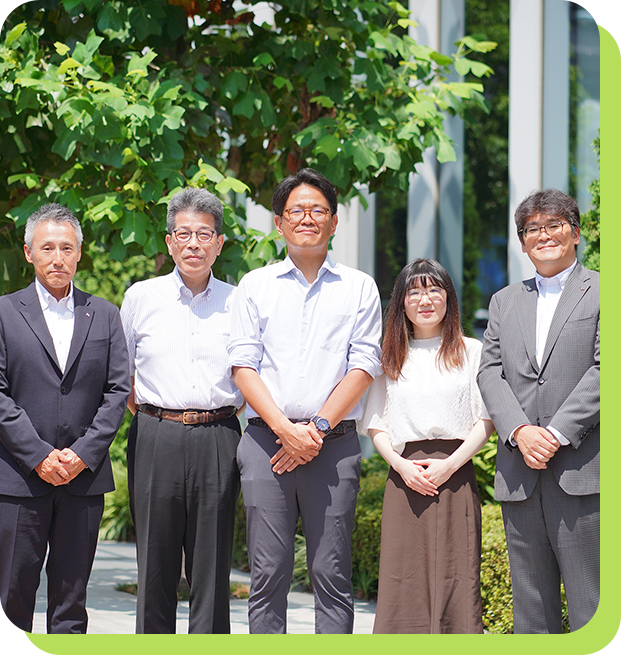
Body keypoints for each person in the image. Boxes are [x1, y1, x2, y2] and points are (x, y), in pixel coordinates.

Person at [227, 168, 382, 634]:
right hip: (266, 444)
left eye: (318, 210)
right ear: (279, 223)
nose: (307, 218)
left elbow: (364, 366)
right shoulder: (255, 285)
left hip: (332, 445)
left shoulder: (359, 287)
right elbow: (242, 366)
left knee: (331, 573)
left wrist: (314, 430)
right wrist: (286, 431)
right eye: (296, 210)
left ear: (334, 221)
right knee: (267, 574)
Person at [0, 204, 130, 633]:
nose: (58, 258)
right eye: (47, 248)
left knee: (71, 605)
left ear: (79, 253)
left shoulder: (105, 315)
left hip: (83, 480)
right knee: (11, 595)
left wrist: (82, 454)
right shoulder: (4, 312)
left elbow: (117, 391)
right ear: (29, 252)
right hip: (19, 480)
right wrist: (38, 455)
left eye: (67, 248)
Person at [120, 188, 243, 634]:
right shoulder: (141, 297)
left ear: (219, 243)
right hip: (156, 435)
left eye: (204, 234)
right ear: (170, 242)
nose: (194, 244)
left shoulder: (240, 301)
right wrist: (157, 416)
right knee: (155, 566)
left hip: (219, 436)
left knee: (212, 568)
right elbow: (122, 375)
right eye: (184, 234)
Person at [478, 189, 599, 633]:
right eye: (532, 229)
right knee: (530, 609)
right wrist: (520, 431)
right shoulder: (503, 301)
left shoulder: (604, 290)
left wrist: (556, 432)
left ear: (576, 233)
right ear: (522, 241)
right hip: (521, 473)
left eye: (554, 225)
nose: (543, 235)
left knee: (592, 604)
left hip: (583, 470)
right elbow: (489, 372)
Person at [360, 258, 494, 634]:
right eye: (414, 292)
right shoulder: (391, 356)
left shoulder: (471, 351)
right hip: (405, 479)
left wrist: (449, 465)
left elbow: (486, 420)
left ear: (448, 298)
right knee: (404, 577)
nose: (425, 299)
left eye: (434, 290)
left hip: (456, 474)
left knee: (457, 574)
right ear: (401, 302)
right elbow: (377, 423)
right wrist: (401, 466)